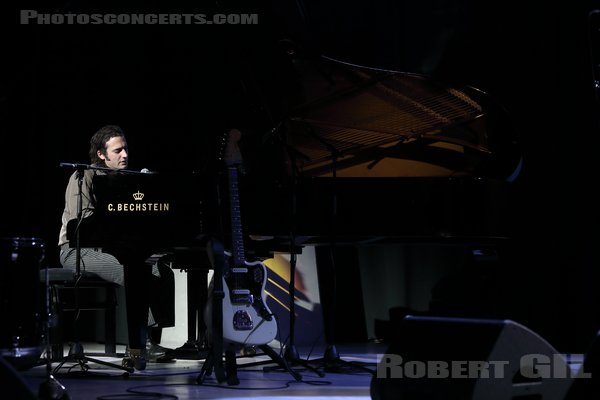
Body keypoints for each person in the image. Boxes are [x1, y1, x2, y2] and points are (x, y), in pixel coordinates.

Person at [58, 124, 175, 370]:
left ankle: (148, 341)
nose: (125, 155)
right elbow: (80, 224)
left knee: (161, 270)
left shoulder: (128, 181)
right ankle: (140, 344)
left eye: (126, 149)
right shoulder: (83, 176)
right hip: (76, 250)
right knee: (133, 272)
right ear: (101, 154)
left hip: (117, 247)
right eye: (118, 150)